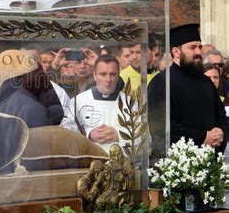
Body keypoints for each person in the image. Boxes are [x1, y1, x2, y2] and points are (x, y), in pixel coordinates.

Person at [148, 24, 228, 163]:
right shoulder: (161, 83)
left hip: (209, 163)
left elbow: (221, 116)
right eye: (192, 47)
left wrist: (221, 133)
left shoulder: (205, 82)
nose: (198, 52)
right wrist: (202, 138)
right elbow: (161, 128)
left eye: (200, 46)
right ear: (176, 52)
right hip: (176, 166)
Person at [60, 55, 132, 153]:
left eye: (113, 74)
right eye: (103, 74)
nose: (108, 79)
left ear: (118, 75)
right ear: (94, 75)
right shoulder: (77, 102)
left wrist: (120, 135)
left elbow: (145, 138)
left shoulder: (130, 103)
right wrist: (89, 135)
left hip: (122, 163)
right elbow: (65, 132)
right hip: (88, 163)